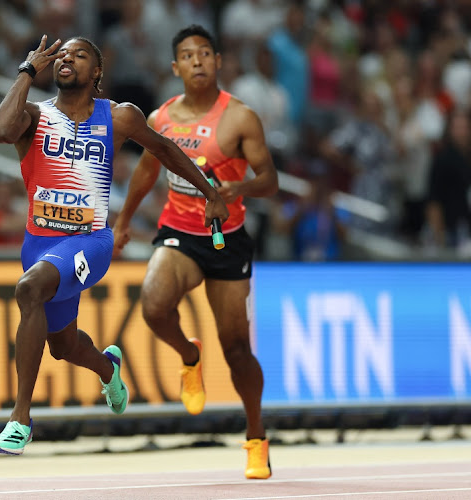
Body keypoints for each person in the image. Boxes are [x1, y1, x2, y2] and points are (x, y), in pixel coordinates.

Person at [0, 34, 229, 455]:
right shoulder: (34, 115)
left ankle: (20, 418)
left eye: (79, 55)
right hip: (38, 242)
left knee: (29, 289)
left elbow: (166, 150)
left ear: (96, 72)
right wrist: (27, 70)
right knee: (62, 347)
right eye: (62, 55)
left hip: (90, 241)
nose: (67, 59)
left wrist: (209, 191)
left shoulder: (118, 117)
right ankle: (108, 368)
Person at [112, 25, 279, 479]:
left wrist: (237, 186)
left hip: (228, 239)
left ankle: (256, 435)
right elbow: (147, 172)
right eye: (188, 55)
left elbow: (271, 180)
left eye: (206, 53)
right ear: (175, 67)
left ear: (218, 61)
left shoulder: (241, 118)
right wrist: (124, 221)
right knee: (153, 304)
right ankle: (189, 356)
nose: (198, 61)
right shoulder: (162, 119)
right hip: (180, 232)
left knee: (238, 352)